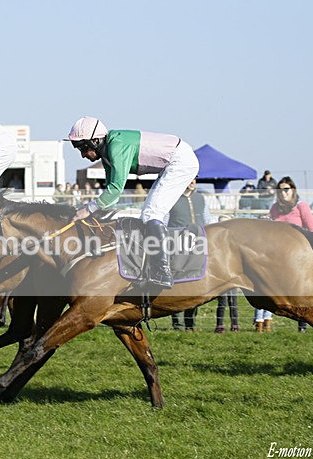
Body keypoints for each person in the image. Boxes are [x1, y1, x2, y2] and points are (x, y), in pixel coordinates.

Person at [66, 117, 200, 288]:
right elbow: (110, 191)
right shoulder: (107, 153)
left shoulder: (116, 146)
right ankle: (154, 266)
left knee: (151, 214)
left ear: (96, 140)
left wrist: (87, 209)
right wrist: (94, 209)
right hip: (173, 161)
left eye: (84, 148)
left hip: (180, 162)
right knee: (148, 215)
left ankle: (163, 272)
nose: (83, 155)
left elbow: (115, 191)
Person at [265, 176, 313, 332]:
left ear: (293, 190)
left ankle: (303, 324)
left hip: (297, 255)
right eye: (280, 190)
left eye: (286, 190)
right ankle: (264, 321)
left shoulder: (302, 207)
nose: (283, 193)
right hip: (278, 255)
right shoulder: (275, 208)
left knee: (299, 291)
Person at [168, 179, 210, 330]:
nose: (193, 182)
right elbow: (165, 222)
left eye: (195, 179)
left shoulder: (201, 198)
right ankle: (177, 324)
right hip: (177, 243)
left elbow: (207, 221)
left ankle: (190, 323)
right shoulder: (172, 198)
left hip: (196, 244)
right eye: (190, 179)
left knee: (194, 281)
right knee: (177, 282)